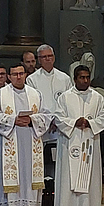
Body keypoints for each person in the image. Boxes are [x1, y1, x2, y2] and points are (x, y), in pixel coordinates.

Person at [0, 65, 52, 206]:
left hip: (30, 141)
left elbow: (46, 115)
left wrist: (32, 120)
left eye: (21, 73)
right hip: (8, 141)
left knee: (28, 175)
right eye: (15, 74)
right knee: (11, 176)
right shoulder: (0, 94)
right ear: (9, 77)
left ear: (25, 75)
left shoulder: (35, 94)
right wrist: (13, 120)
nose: (18, 77)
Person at [54, 65, 104, 206]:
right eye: (81, 77)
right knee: (68, 177)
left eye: (87, 77)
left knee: (89, 177)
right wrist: (73, 123)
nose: (85, 80)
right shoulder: (65, 97)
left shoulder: (97, 97)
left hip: (89, 142)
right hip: (70, 142)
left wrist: (90, 123)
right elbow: (58, 117)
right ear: (75, 79)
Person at [27, 44, 73, 174]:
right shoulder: (32, 79)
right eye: (44, 57)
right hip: (41, 126)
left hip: (60, 126)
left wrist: (57, 121)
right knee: (42, 161)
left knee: (59, 162)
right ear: (39, 59)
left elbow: (67, 102)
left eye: (50, 56)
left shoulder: (64, 78)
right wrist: (48, 121)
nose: (47, 59)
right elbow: (34, 103)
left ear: (54, 58)